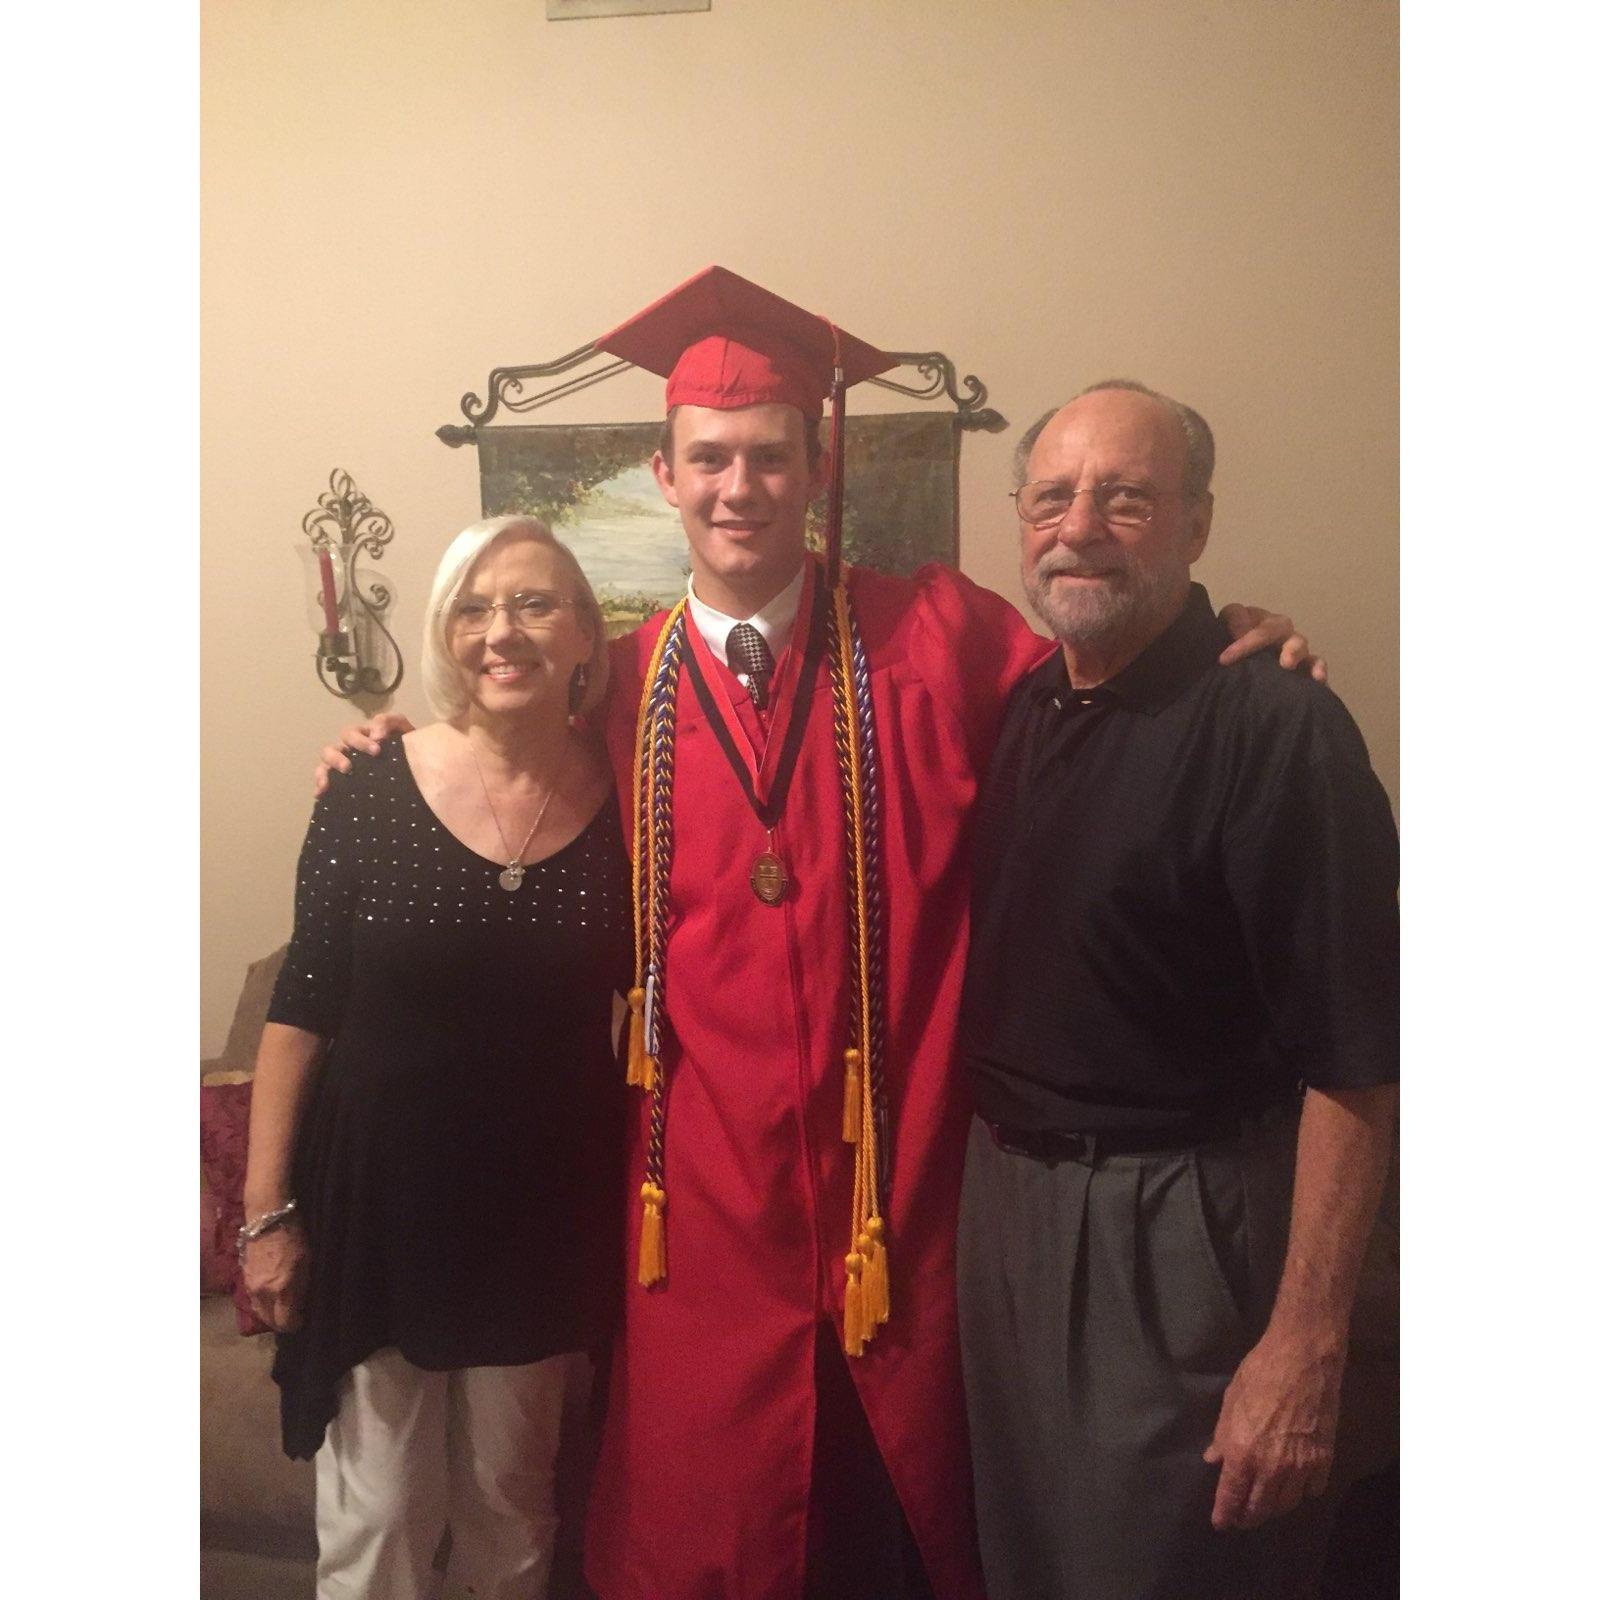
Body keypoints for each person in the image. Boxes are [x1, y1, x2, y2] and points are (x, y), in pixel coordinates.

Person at [316, 268, 1322, 1600]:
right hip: (703, 1220)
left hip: (907, 1207)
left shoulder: (940, 637)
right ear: (665, 475)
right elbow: (484, 770)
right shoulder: (606, 686)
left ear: (818, 464)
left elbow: (1107, 680)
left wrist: (1225, 635)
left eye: (771, 458)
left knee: (912, 1535)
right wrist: (390, 744)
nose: (742, 488)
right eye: (712, 459)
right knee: (712, 1535)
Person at [955, 381, 1399, 1600]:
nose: (1079, 524)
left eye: (1126, 498)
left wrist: (1307, 1340)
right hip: (1004, 1215)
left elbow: (1358, 1059)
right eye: (1051, 495)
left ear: (1197, 523)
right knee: (1027, 1567)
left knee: (1168, 1573)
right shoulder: (1019, 711)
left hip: (1179, 1230)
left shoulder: (1278, 726)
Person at [241, 515, 630, 1600]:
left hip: (544, 1211)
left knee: (513, 1506)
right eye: (474, 606)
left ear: (587, 635)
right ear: (446, 632)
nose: (502, 631)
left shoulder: (637, 801)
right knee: (376, 1516)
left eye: (534, 603)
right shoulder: (367, 785)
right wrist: (267, 1215)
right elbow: (302, 1003)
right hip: (380, 1204)